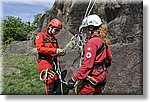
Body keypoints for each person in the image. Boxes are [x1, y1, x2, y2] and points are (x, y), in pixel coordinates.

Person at [67, 14, 112, 95]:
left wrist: (73, 79)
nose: (85, 32)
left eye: (86, 29)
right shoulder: (103, 39)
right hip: (101, 76)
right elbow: (109, 58)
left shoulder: (92, 42)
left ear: (91, 28)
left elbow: (87, 65)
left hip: (92, 78)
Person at [35, 18, 65, 95]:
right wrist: (55, 51)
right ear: (50, 27)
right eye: (56, 30)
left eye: (58, 30)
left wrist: (60, 52)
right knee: (50, 81)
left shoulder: (54, 39)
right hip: (44, 61)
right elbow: (40, 49)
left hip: (52, 62)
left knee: (56, 81)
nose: (57, 32)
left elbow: (55, 50)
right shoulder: (40, 35)